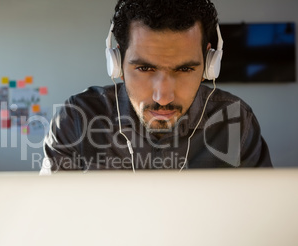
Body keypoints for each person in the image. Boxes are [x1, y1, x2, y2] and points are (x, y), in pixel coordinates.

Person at [41, 0, 272, 173]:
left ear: (210, 64)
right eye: (144, 69)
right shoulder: (76, 118)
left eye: (184, 69)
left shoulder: (235, 118)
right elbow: (50, 218)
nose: (163, 97)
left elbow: (265, 217)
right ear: (117, 63)